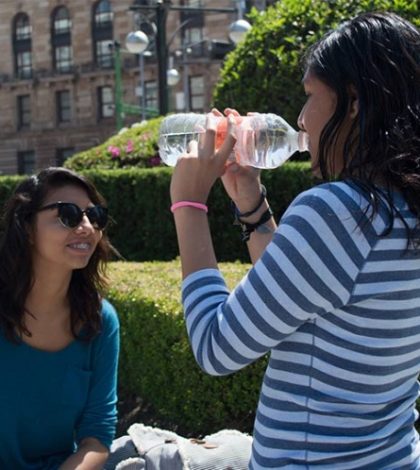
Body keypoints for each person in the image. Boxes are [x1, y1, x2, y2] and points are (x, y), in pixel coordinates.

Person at [170, 11, 420, 469]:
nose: (301, 121)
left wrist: (188, 204)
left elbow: (215, 347)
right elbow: (308, 301)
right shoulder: (399, 210)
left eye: (309, 97)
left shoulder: (337, 211)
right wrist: (251, 202)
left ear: (354, 100)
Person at [0, 167, 120, 469]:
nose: (87, 227)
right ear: (27, 227)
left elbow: (97, 436)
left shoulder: (100, 321)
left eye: (95, 216)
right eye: (68, 214)